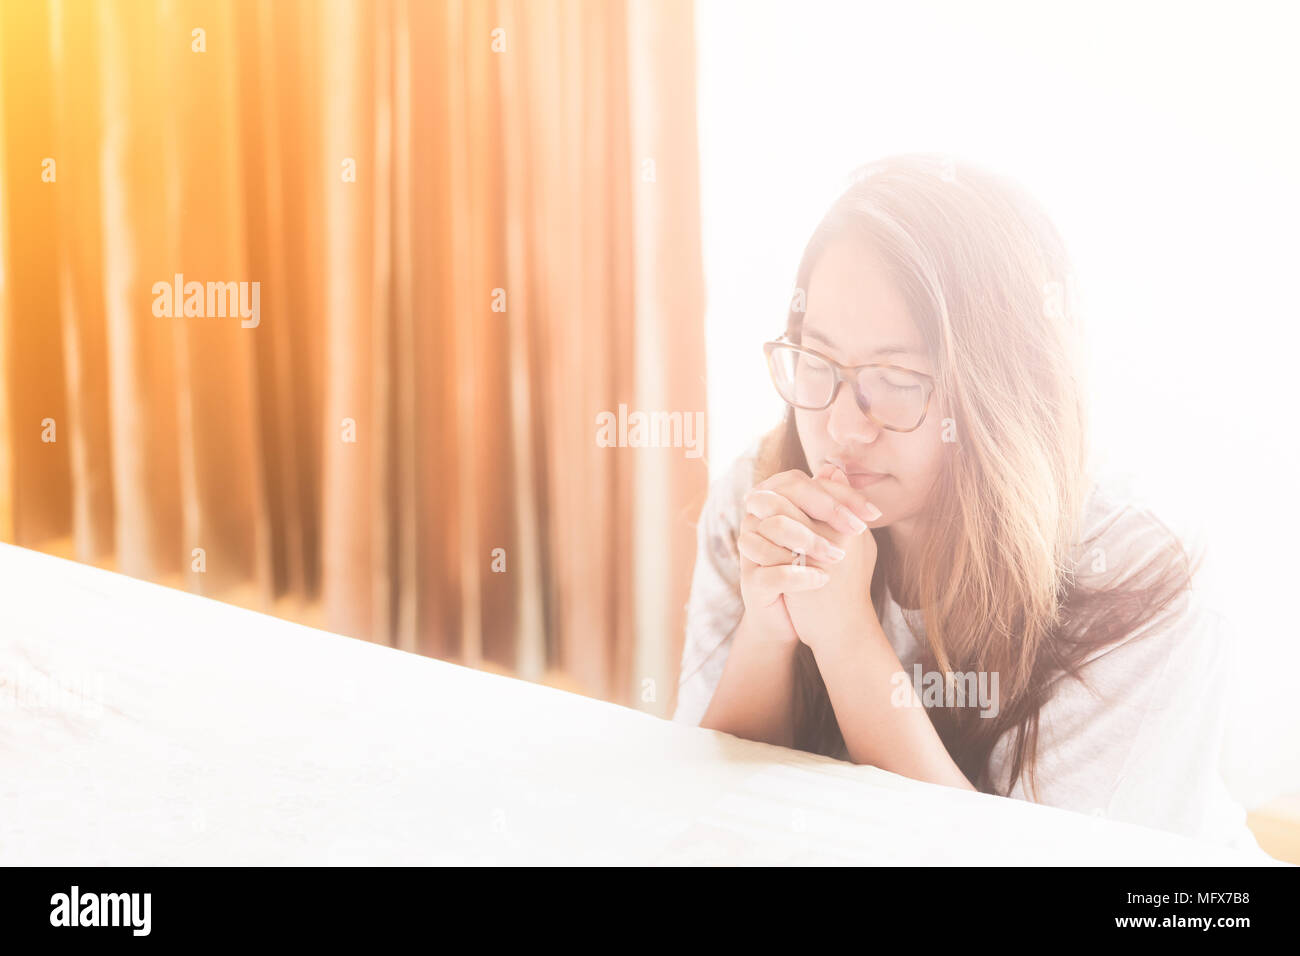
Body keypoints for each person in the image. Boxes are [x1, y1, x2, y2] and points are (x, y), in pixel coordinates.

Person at [672, 154, 1263, 853]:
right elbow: (703, 820)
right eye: (818, 360)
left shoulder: (1139, 577)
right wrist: (767, 637)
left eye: (895, 379)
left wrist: (847, 640)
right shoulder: (761, 496)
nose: (841, 426)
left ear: (1002, 392)